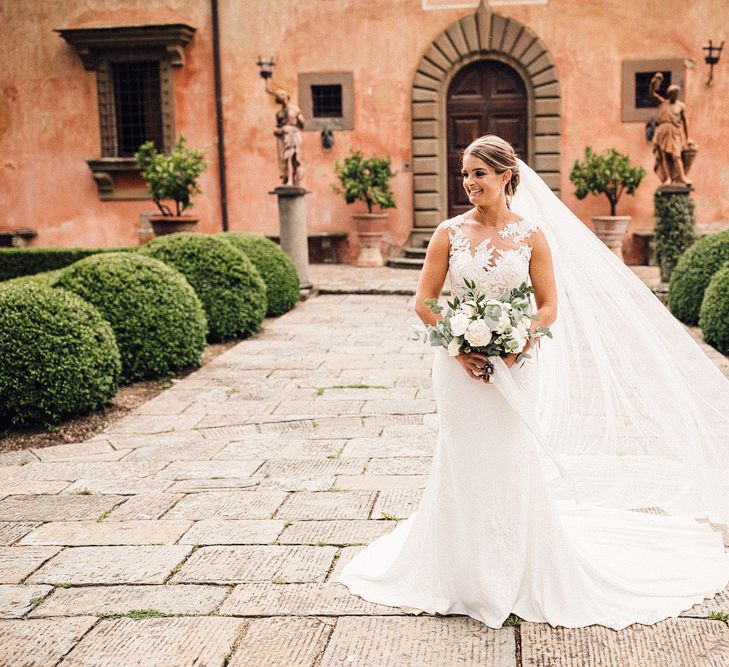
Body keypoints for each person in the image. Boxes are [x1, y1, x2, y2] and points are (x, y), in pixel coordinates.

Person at [337, 135, 729, 630]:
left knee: (509, 456)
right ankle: (458, 570)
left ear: (506, 176)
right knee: (461, 457)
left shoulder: (531, 236)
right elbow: (425, 300)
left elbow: (548, 308)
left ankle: (514, 565)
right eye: (465, 173)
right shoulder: (447, 234)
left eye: (479, 173)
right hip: (458, 371)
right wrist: (458, 346)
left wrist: (522, 340)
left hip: (518, 366)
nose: (469, 182)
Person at [649, 73, 693, 186]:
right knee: (664, 156)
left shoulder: (681, 106)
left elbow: (685, 123)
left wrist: (688, 138)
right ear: (669, 94)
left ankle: (682, 177)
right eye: (672, 93)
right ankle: (668, 178)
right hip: (662, 130)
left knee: (676, 155)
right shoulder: (664, 103)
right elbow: (652, 94)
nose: (674, 94)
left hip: (674, 131)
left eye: (676, 93)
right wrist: (653, 82)